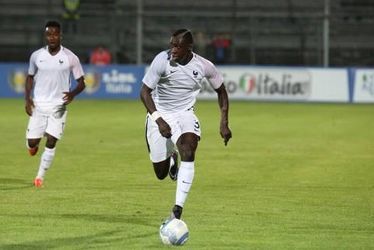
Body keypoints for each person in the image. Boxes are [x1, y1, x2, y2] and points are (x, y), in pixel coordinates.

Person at [140, 29, 232, 220]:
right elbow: (144, 92)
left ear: (189, 48)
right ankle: (171, 157)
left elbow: (222, 91)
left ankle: (177, 210)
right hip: (159, 113)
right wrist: (158, 119)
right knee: (160, 173)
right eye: (171, 44)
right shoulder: (161, 60)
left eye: (177, 46)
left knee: (189, 149)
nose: (172, 49)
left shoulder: (204, 66)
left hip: (184, 114)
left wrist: (224, 122)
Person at [25, 20, 86, 187]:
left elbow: (82, 82)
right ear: (46, 36)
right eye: (49, 34)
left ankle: (39, 177)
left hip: (58, 106)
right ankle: (33, 145)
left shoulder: (70, 58)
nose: (52, 37)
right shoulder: (37, 56)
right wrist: (27, 99)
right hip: (39, 105)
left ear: (61, 36)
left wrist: (73, 93)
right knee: (32, 143)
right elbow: (29, 77)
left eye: (55, 34)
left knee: (51, 140)